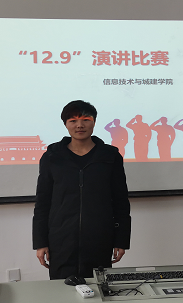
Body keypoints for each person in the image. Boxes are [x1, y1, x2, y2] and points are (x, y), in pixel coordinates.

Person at [32, 100, 131, 280]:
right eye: (73, 121)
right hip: (61, 239)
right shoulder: (52, 157)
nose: (79, 125)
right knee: (62, 291)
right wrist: (40, 242)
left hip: (99, 238)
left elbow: (121, 201)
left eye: (86, 119)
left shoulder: (110, 156)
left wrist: (121, 239)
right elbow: (42, 202)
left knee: (98, 290)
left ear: (94, 122)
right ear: (65, 124)